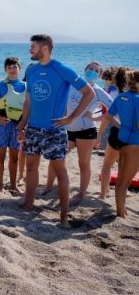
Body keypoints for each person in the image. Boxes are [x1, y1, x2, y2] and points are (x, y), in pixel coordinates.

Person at [16, 34, 94, 225]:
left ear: (44, 49)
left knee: (61, 172)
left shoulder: (61, 69)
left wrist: (71, 117)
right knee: (31, 167)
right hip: (33, 128)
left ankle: (64, 216)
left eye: (33, 47)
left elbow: (89, 93)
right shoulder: (32, 71)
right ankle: (28, 204)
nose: (30, 50)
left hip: (55, 131)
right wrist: (22, 124)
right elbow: (28, 101)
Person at [42, 62, 112, 204]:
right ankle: (48, 186)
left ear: (99, 75)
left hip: (86, 132)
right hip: (67, 130)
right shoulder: (72, 85)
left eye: (96, 71)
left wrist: (95, 117)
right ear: (85, 70)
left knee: (83, 164)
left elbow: (114, 108)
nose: (92, 72)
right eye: (90, 69)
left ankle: (81, 194)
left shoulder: (98, 91)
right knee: (55, 159)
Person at [101, 69, 139, 218]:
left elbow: (109, 116)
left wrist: (123, 127)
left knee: (124, 180)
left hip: (122, 140)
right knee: (124, 182)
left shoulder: (121, 97)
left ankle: (121, 210)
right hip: (135, 143)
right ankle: (120, 214)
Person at [0, 57, 25, 192]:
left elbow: (29, 109)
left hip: (18, 126)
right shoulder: (0, 85)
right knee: (1, 155)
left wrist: (24, 125)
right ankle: (0, 184)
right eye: (9, 67)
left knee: (14, 157)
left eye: (14, 66)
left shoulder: (26, 87)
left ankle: (14, 185)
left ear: (19, 68)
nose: (12, 69)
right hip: (2, 125)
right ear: (5, 70)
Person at [97, 67, 130, 199]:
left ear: (113, 79)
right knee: (124, 166)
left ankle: (103, 195)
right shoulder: (133, 95)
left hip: (117, 132)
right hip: (132, 134)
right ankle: (123, 193)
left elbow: (107, 117)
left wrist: (99, 134)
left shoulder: (113, 94)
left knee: (107, 165)